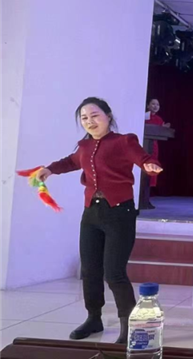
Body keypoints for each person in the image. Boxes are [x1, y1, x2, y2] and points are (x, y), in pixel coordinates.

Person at [36, 97, 162, 343]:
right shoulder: (84, 146)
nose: (89, 121)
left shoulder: (124, 141)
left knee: (114, 272)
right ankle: (94, 318)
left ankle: (129, 325)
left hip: (119, 213)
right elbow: (71, 161)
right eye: (84, 118)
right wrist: (50, 169)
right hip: (91, 214)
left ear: (108, 116)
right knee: (90, 270)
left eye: (95, 115)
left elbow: (143, 158)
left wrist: (150, 165)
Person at [144, 98, 169, 188]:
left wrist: (164, 128)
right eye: (153, 104)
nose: (155, 106)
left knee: (153, 164)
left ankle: (149, 189)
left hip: (154, 146)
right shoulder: (144, 116)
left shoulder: (159, 119)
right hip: (144, 144)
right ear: (148, 106)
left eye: (157, 105)